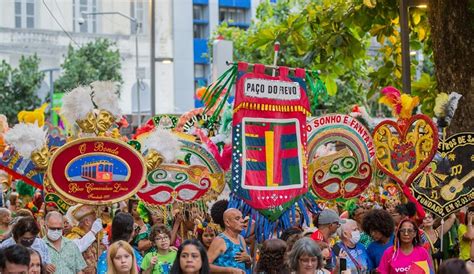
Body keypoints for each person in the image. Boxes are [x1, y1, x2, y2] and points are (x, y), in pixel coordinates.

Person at [207, 208, 251, 273]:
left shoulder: (241, 238)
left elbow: (247, 266)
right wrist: (229, 270)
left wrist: (248, 259)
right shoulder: (220, 240)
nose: (242, 221)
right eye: (237, 218)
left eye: (242, 218)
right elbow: (205, 266)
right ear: (227, 222)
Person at [65, 204, 106, 274]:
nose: (98, 223)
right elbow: (77, 248)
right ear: (87, 222)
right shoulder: (73, 236)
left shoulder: (95, 239)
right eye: (95, 220)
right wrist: (93, 232)